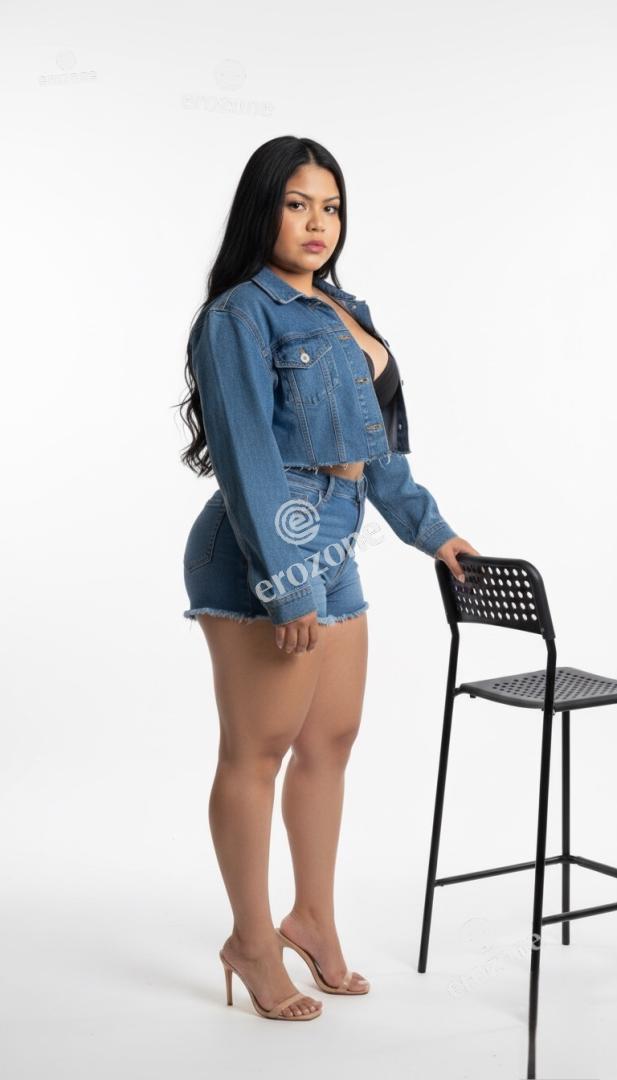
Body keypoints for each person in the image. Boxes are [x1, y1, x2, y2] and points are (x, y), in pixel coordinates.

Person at [177, 135, 480, 1021]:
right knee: (257, 751)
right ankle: (250, 940)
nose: (318, 223)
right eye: (297, 203)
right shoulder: (239, 315)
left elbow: (373, 450)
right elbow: (248, 461)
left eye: (331, 206)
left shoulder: (345, 309)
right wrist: (289, 583)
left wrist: (433, 534)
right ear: (262, 209)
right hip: (261, 545)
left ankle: (310, 919)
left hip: (338, 539)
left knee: (331, 740)